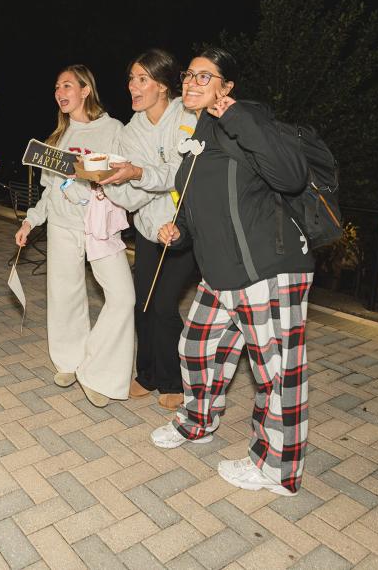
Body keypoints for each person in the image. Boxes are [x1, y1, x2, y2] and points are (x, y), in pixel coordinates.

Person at [151, 47, 314, 498]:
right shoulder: (199, 136)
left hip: (267, 269)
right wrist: (178, 231)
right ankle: (198, 423)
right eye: (189, 74)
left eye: (206, 77)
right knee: (197, 346)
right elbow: (201, 207)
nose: (191, 82)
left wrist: (236, 115)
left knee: (276, 374)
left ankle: (278, 470)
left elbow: (291, 174)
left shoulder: (250, 119)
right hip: (222, 273)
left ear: (227, 86)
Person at [13, 65, 134, 407]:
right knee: (64, 295)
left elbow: (126, 176)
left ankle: (98, 370)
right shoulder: (57, 139)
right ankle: (69, 362)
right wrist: (30, 223)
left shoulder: (113, 129)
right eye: (56, 87)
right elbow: (49, 193)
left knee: (123, 297)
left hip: (100, 227)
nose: (60, 92)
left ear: (85, 90)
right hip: (63, 226)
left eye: (67, 85)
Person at [100, 49, 199, 411]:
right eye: (130, 79)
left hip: (183, 227)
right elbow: (128, 195)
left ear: (162, 85)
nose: (133, 86)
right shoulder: (130, 131)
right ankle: (148, 374)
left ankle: (174, 380)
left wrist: (139, 174)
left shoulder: (186, 117)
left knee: (163, 304)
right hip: (148, 228)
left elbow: (179, 174)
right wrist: (107, 182)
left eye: (142, 79)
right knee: (142, 303)